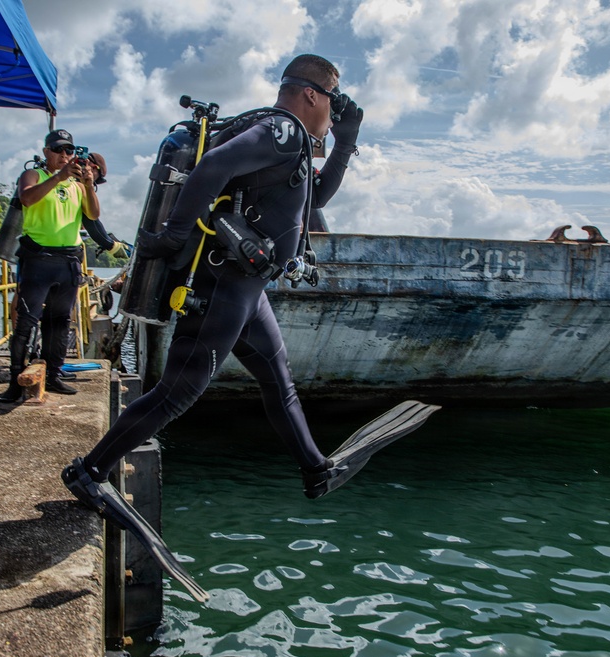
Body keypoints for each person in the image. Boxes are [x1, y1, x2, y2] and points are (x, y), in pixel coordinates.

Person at [63, 53, 395, 510]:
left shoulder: (288, 141)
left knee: (278, 383)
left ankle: (315, 468)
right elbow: (213, 165)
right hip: (224, 285)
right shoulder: (282, 129)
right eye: (332, 104)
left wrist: (345, 142)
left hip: (247, 290)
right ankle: (89, 472)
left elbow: (316, 195)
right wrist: (176, 234)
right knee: (177, 393)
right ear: (311, 94)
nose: (332, 115)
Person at [0, 130, 126, 402]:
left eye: (69, 151)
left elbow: (93, 214)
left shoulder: (78, 185)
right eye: (58, 150)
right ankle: (14, 381)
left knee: (59, 322)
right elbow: (27, 198)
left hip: (67, 262)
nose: (64, 156)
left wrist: (88, 184)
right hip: (38, 260)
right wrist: (59, 176)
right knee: (26, 322)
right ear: (46, 152)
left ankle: (53, 374)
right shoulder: (33, 176)